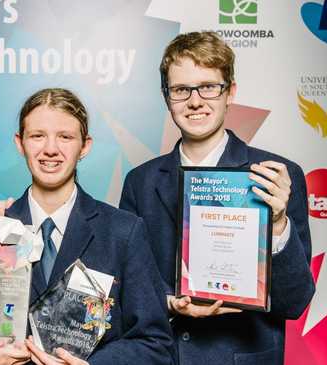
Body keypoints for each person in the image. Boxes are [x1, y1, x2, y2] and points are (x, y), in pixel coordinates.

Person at [119, 32, 315, 364]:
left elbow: (294, 303)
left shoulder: (277, 177)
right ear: (167, 97)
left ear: (230, 92)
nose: (195, 101)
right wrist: (169, 302)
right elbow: (128, 289)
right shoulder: (140, 182)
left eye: (209, 86)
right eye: (181, 90)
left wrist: (279, 223)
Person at [0, 88, 175, 365]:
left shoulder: (123, 232)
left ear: (85, 146)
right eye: (37, 136)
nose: (50, 149)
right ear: (20, 143)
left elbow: (156, 345)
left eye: (65, 137)